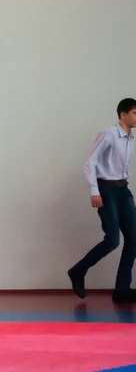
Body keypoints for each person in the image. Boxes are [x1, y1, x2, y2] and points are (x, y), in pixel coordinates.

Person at [69, 98, 136, 304]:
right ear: (123, 115)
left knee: (134, 239)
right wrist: (94, 191)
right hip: (106, 190)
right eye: (134, 112)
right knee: (113, 240)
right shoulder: (108, 134)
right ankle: (78, 271)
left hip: (123, 190)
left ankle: (122, 290)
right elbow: (91, 162)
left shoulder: (130, 138)